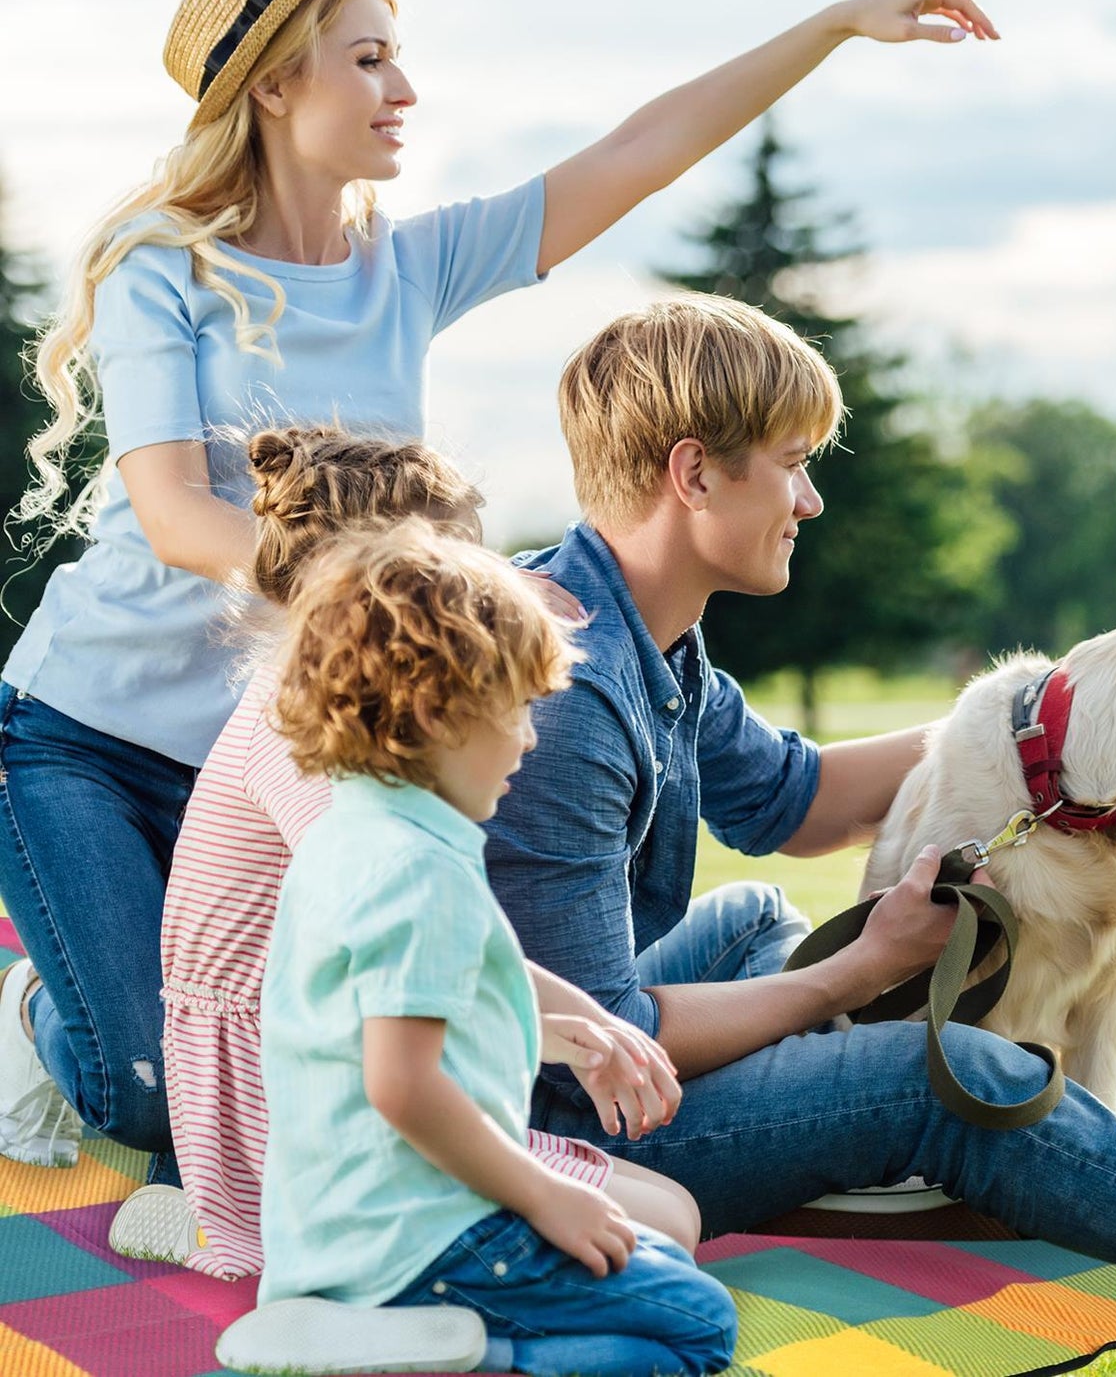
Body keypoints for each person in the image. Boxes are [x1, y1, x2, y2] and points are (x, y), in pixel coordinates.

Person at [0, 0, 1002, 1172]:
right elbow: (174, 516)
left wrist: (836, 22)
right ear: (272, 84)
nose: (403, 92)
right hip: (86, 737)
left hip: (262, 757)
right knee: (142, 1085)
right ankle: (38, 1015)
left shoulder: (407, 270)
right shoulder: (167, 265)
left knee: (285, 1074)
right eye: (368, 61)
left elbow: (636, 153)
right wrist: (428, 598)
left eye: (398, 58)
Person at [481, 293, 1116, 1293]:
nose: (810, 501)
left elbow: (794, 800)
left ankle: (836, 1110)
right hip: (557, 1123)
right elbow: (592, 1048)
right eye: (792, 464)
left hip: (580, 1051)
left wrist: (1041, 721)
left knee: (754, 916)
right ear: (693, 473)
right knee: (951, 1075)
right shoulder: (567, 695)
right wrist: (852, 973)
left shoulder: (643, 631)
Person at [107, 426, 694, 1282]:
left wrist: (592, 1026)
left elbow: (440, 943)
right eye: (461, 569)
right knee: (667, 1226)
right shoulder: (318, 747)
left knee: (670, 1210)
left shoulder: (321, 701)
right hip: (298, 1100)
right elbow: (412, 935)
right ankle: (223, 1213)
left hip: (332, 1050)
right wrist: (573, 1031)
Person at [216, 520, 735, 1377]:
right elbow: (402, 1082)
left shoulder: (361, 827)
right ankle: (448, 1352)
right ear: (435, 710)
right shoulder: (417, 868)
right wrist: (544, 1194)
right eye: (518, 711)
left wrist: (577, 1029)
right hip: (423, 1236)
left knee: (657, 1269)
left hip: (345, 1233)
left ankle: (409, 1340)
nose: (530, 741)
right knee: (696, 1320)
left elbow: (460, 969)